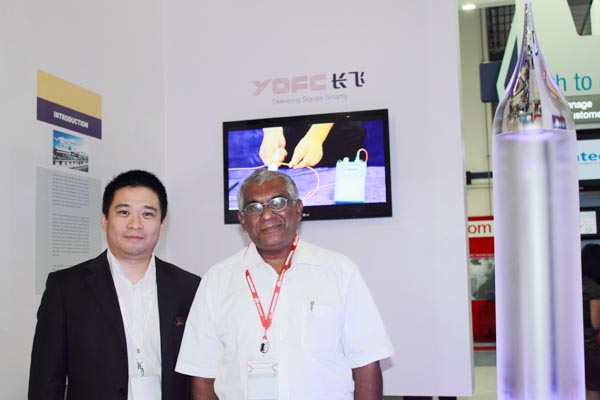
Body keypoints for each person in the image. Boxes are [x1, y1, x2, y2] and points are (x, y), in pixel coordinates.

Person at [176, 169, 394, 399]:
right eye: (254, 208)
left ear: (298, 209)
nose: (267, 215)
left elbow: (366, 365)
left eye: (278, 203)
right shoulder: (216, 281)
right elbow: (202, 377)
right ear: (242, 220)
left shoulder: (340, 272)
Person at [29, 170, 201, 400]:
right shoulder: (66, 288)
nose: (135, 224)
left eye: (147, 214)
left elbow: (200, 373)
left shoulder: (189, 287)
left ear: (162, 224)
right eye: (124, 212)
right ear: (104, 220)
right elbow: (46, 383)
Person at [581, 244, 600, 400]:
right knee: (594, 387)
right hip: (592, 345)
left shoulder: (575, 283)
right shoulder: (594, 289)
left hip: (574, 344)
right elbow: (596, 323)